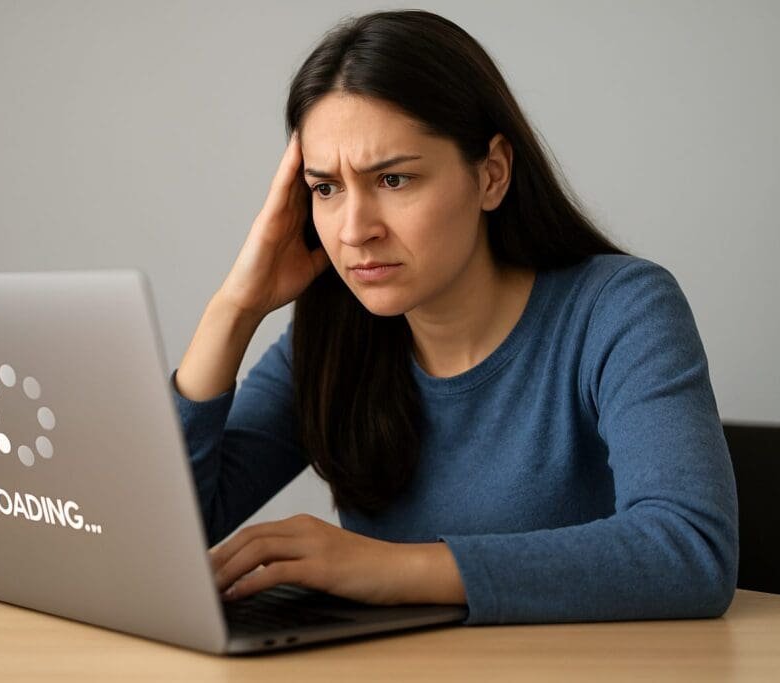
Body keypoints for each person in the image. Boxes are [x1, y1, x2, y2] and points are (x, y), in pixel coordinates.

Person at [171, 9, 738, 625]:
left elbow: (690, 551)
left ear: (491, 174)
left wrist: (388, 569)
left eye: (393, 178)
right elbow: (166, 535)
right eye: (326, 188)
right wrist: (234, 310)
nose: (355, 231)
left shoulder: (620, 310)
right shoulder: (332, 335)